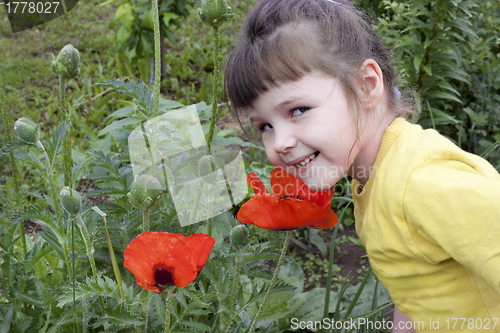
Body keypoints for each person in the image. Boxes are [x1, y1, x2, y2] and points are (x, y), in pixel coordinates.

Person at [224, 0, 500, 332]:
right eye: (265, 126)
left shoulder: (421, 182)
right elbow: (413, 288)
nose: (279, 142)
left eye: (297, 110)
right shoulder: (377, 174)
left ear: (366, 85)